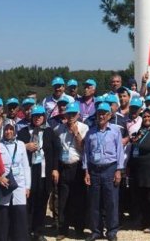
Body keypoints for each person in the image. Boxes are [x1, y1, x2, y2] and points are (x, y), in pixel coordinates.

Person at [82, 102, 125, 241]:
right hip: (94, 169)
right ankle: (96, 230)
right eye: (99, 113)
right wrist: (86, 171)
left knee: (111, 201)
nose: (101, 116)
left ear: (108, 116)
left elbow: (120, 151)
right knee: (95, 202)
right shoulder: (90, 132)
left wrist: (119, 170)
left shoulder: (115, 131)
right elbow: (86, 153)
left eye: (103, 114)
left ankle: (112, 231)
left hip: (110, 169)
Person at [17, 105, 59, 241]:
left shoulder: (49, 132)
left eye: (40, 116)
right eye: (35, 116)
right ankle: (26, 230)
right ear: (31, 117)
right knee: (28, 202)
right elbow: (15, 147)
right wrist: (25, 146)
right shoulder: (23, 132)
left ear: (44, 117)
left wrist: (55, 168)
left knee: (41, 202)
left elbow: (55, 151)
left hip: (43, 171)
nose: (37, 118)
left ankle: (38, 231)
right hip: (28, 171)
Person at [53, 101, 88, 239]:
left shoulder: (84, 128)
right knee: (63, 200)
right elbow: (57, 150)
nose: (71, 117)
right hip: (63, 166)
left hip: (77, 166)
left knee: (78, 200)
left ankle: (79, 229)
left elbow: (84, 149)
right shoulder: (59, 129)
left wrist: (76, 134)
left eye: (74, 114)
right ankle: (63, 229)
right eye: (69, 114)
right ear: (65, 115)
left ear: (78, 114)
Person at [0, 120, 31, 241]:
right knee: (3, 217)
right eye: (6, 129)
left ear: (15, 130)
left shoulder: (20, 144)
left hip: (19, 184)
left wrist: (27, 186)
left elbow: (25, 166)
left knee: (19, 215)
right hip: (4, 184)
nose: (8, 132)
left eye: (11, 129)